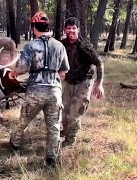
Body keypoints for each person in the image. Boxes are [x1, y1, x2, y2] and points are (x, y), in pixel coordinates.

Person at [8, 11, 70, 167]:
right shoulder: (60, 45)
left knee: (23, 121)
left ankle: (14, 144)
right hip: (55, 92)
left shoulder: (31, 46)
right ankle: (51, 158)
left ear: (34, 28)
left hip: (35, 92)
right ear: (48, 27)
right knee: (54, 126)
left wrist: (12, 73)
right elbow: (63, 71)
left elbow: (22, 68)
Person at [60, 17, 104, 147]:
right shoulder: (62, 44)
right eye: (68, 28)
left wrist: (99, 84)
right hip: (68, 80)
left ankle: (70, 140)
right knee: (64, 108)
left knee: (76, 111)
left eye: (73, 28)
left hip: (84, 80)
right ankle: (66, 129)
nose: (71, 31)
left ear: (78, 30)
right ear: (65, 30)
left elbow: (99, 63)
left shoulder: (85, 46)